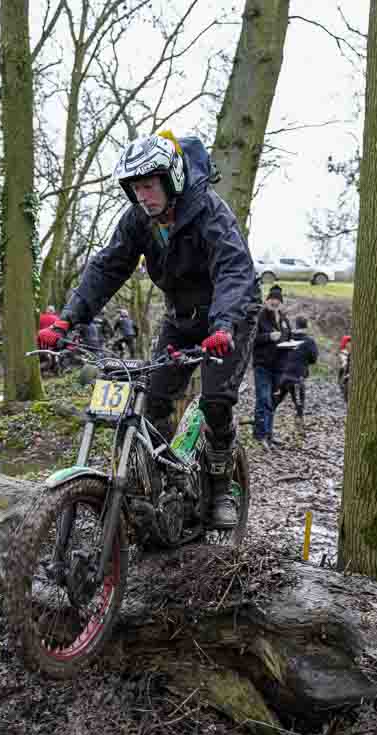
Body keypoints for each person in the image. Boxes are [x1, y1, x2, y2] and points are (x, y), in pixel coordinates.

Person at [39, 129, 261, 528]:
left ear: (172, 179)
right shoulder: (138, 221)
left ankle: (221, 487)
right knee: (154, 399)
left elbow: (234, 269)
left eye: (149, 185)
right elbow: (108, 267)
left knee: (215, 400)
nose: (143, 195)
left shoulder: (210, 212)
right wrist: (67, 319)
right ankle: (166, 482)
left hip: (230, 317)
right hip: (181, 319)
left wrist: (225, 324)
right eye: (136, 188)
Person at [252, 284, 291, 447]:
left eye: (278, 300)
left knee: (273, 401)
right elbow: (252, 339)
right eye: (272, 299)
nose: (275, 302)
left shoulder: (283, 318)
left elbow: (289, 336)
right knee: (264, 399)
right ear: (267, 300)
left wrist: (291, 343)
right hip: (263, 365)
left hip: (279, 366)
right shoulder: (260, 317)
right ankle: (260, 435)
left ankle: (268, 434)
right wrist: (268, 337)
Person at [272, 316, 319, 428]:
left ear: (295, 325)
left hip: (282, 375)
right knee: (299, 404)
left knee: (273, 402)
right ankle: (299, 428)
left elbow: (277, 354)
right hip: (297, 377)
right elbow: (313, 359)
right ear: (306, 326)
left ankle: (263, 423)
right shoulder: (309, 341)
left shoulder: (287, 338)